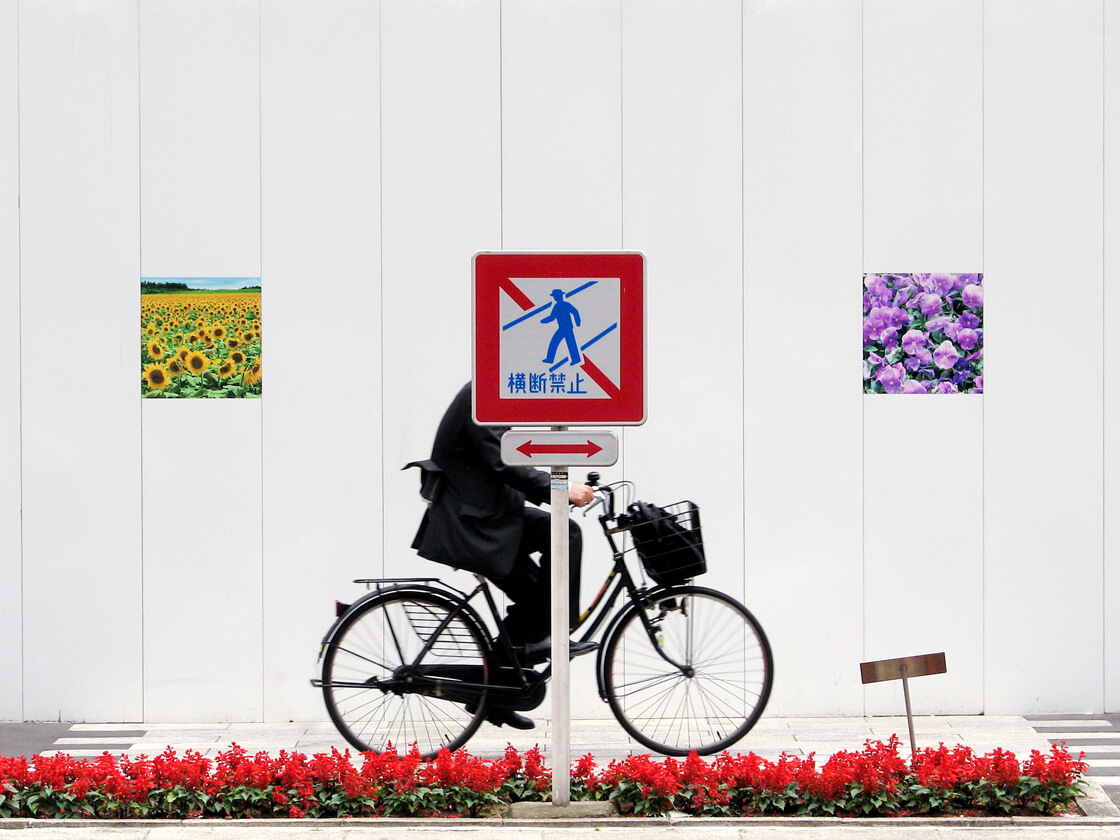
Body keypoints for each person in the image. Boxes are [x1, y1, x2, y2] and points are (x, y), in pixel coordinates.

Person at [409, 382, 597, 730]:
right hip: (475, 525)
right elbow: (502, 461)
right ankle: (552, 633)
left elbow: (511, 458)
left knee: (536, 595)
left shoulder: (491, 394)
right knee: (564, 535)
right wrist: (561, 488)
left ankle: (495, 694)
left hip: (494, 517)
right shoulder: (481, 396)